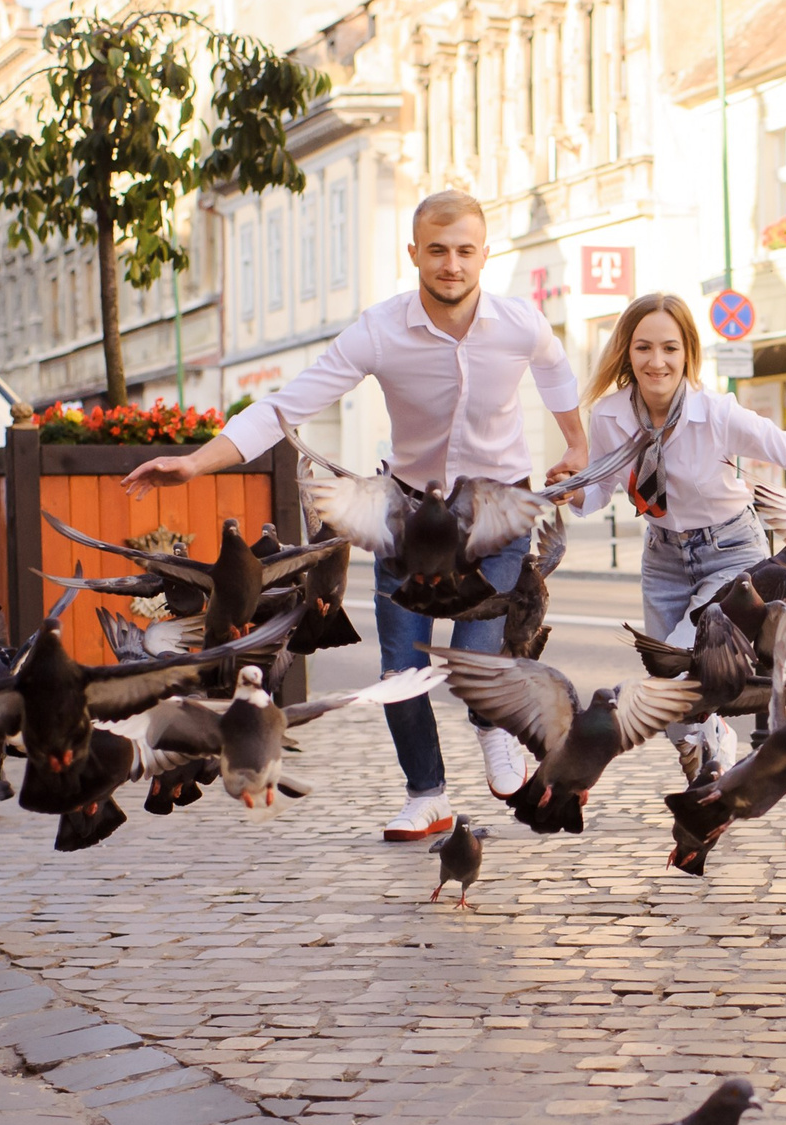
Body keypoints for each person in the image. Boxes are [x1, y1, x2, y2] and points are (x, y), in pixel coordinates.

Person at [124, 190, 588, 841]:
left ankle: (492, 732)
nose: (451, 265)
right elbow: (286, 405)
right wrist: (199, 463)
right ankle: (427, 795)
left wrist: (576, 443)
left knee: (480, 663)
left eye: (464, 251)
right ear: (414, 254)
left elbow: (556, 369)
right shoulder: (380, 330)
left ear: (484, 254)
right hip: (409, 521)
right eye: (437, 251)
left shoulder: (521, 323)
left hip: (497, 515)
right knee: (400, 672)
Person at [574, 292, 786, 782]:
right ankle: (707, 745)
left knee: (678, 670)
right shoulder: (609, 416)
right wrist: (569, 491)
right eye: (643, 348)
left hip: (731, 553)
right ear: (626, 352)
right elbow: (597, 491)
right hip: (662, 556)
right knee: (665, 677)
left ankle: (714, 742)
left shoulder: (717, 414)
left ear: (688, 353)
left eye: (670, 348)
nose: (657, 362)